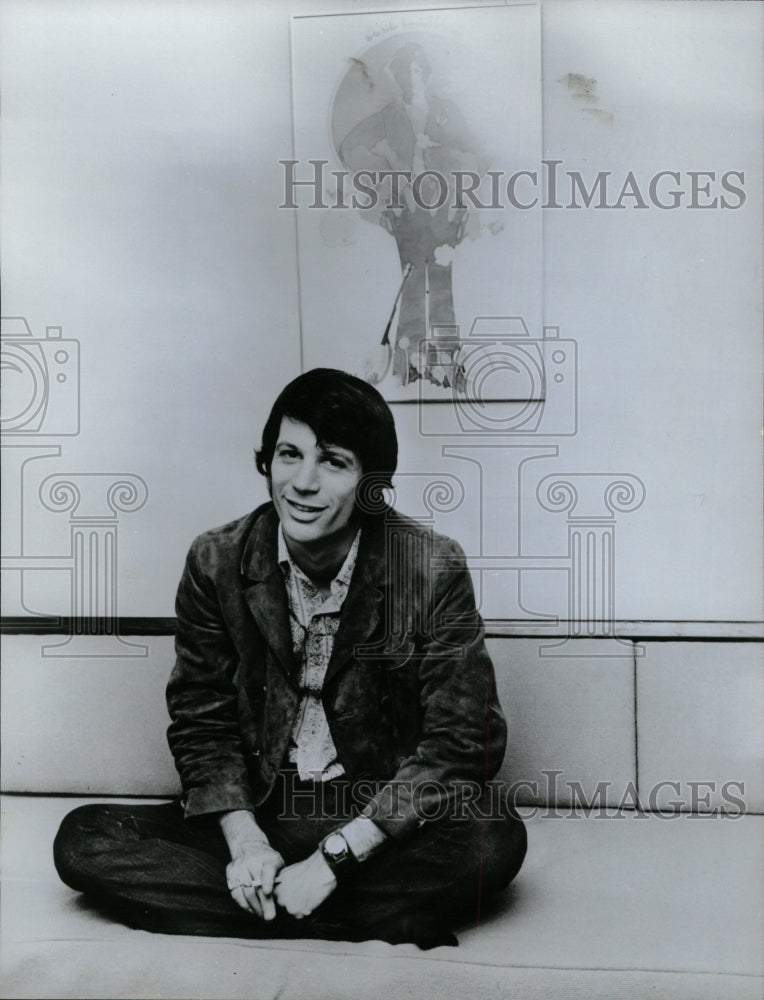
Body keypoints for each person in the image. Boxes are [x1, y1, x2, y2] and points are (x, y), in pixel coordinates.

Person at [53, 369, 526, 949]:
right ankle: (352, 916)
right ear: (267, 461)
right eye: (288, 454)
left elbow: (465, 741)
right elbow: (202, 715)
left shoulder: (429, 567)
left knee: (493, 839)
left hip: (375, 817)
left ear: (371, 483)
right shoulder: (215, 560)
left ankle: (265, 908)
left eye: (333, 461)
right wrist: (246, 842)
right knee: (83, 839)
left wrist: (334, 859)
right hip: (263, 811)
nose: (302, 482)